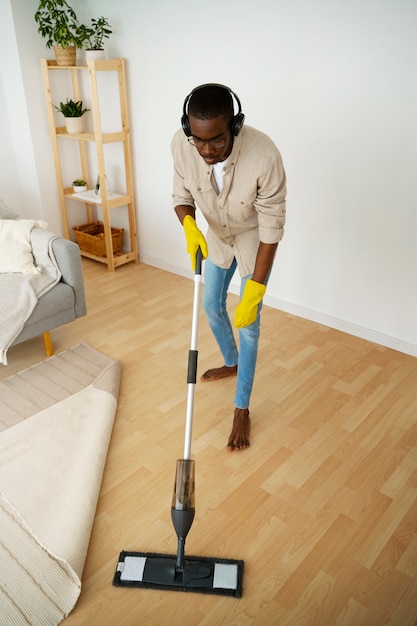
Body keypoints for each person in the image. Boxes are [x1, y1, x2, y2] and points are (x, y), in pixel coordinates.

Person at [171, 83, 286, 452]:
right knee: (210, 306)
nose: (206, 150)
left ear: (235, 126)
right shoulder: (182, 145)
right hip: (217, 235)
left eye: (217, 141)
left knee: (249, 323)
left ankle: (242, 408)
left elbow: (271, 228)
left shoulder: (264, 155)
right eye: (198, 140)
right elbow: (181, 197)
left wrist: (256, 289)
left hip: (253, 235)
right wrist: (189, 225)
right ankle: (232, 362)